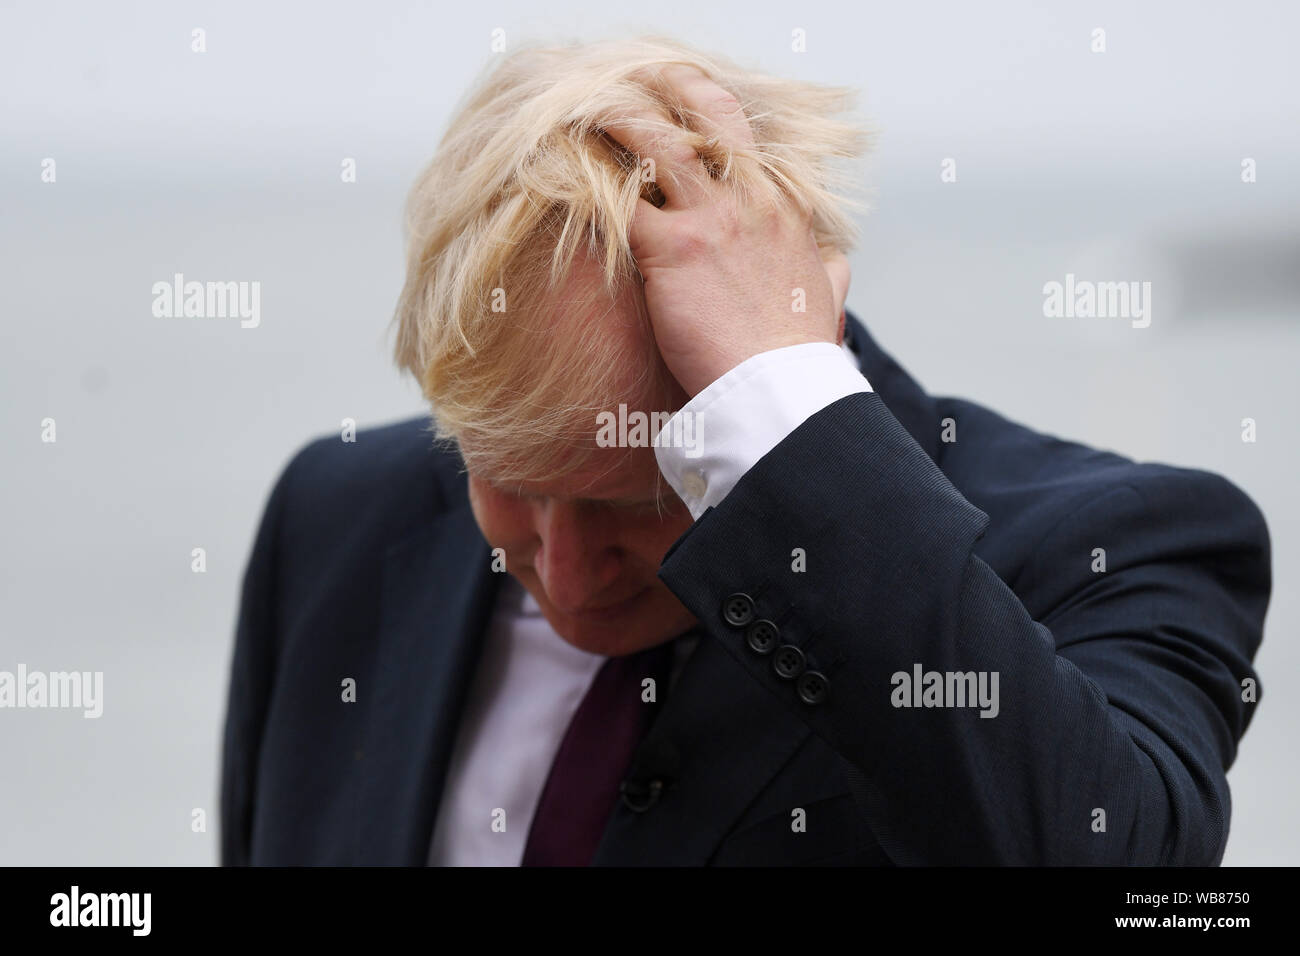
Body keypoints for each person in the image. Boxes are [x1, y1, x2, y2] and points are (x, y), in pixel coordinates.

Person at [220, 37, 1270, 866]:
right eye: (512, 482)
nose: (570, 573)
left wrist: (790, 416)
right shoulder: (339, 510)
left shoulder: (1122, 544)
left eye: (645, 494)